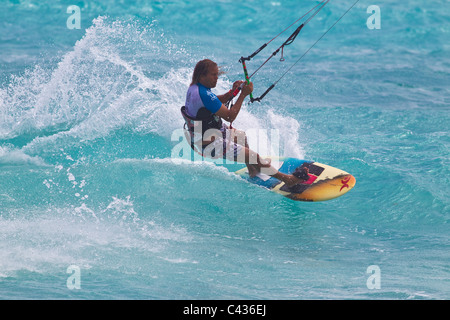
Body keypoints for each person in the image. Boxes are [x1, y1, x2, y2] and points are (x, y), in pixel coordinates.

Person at [181, 59, 309, 187]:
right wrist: (243, 94)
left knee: (241, 137)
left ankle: (253, 170)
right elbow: (230, 117)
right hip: (210, 144)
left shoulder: (195, 88)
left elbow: (215, 102)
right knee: (253, 156)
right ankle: (288, 180)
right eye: (213, 75)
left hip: (207, 134)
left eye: (217, 74)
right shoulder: (205, 94)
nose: (216, 78)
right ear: (202, 75)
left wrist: (232, 92)